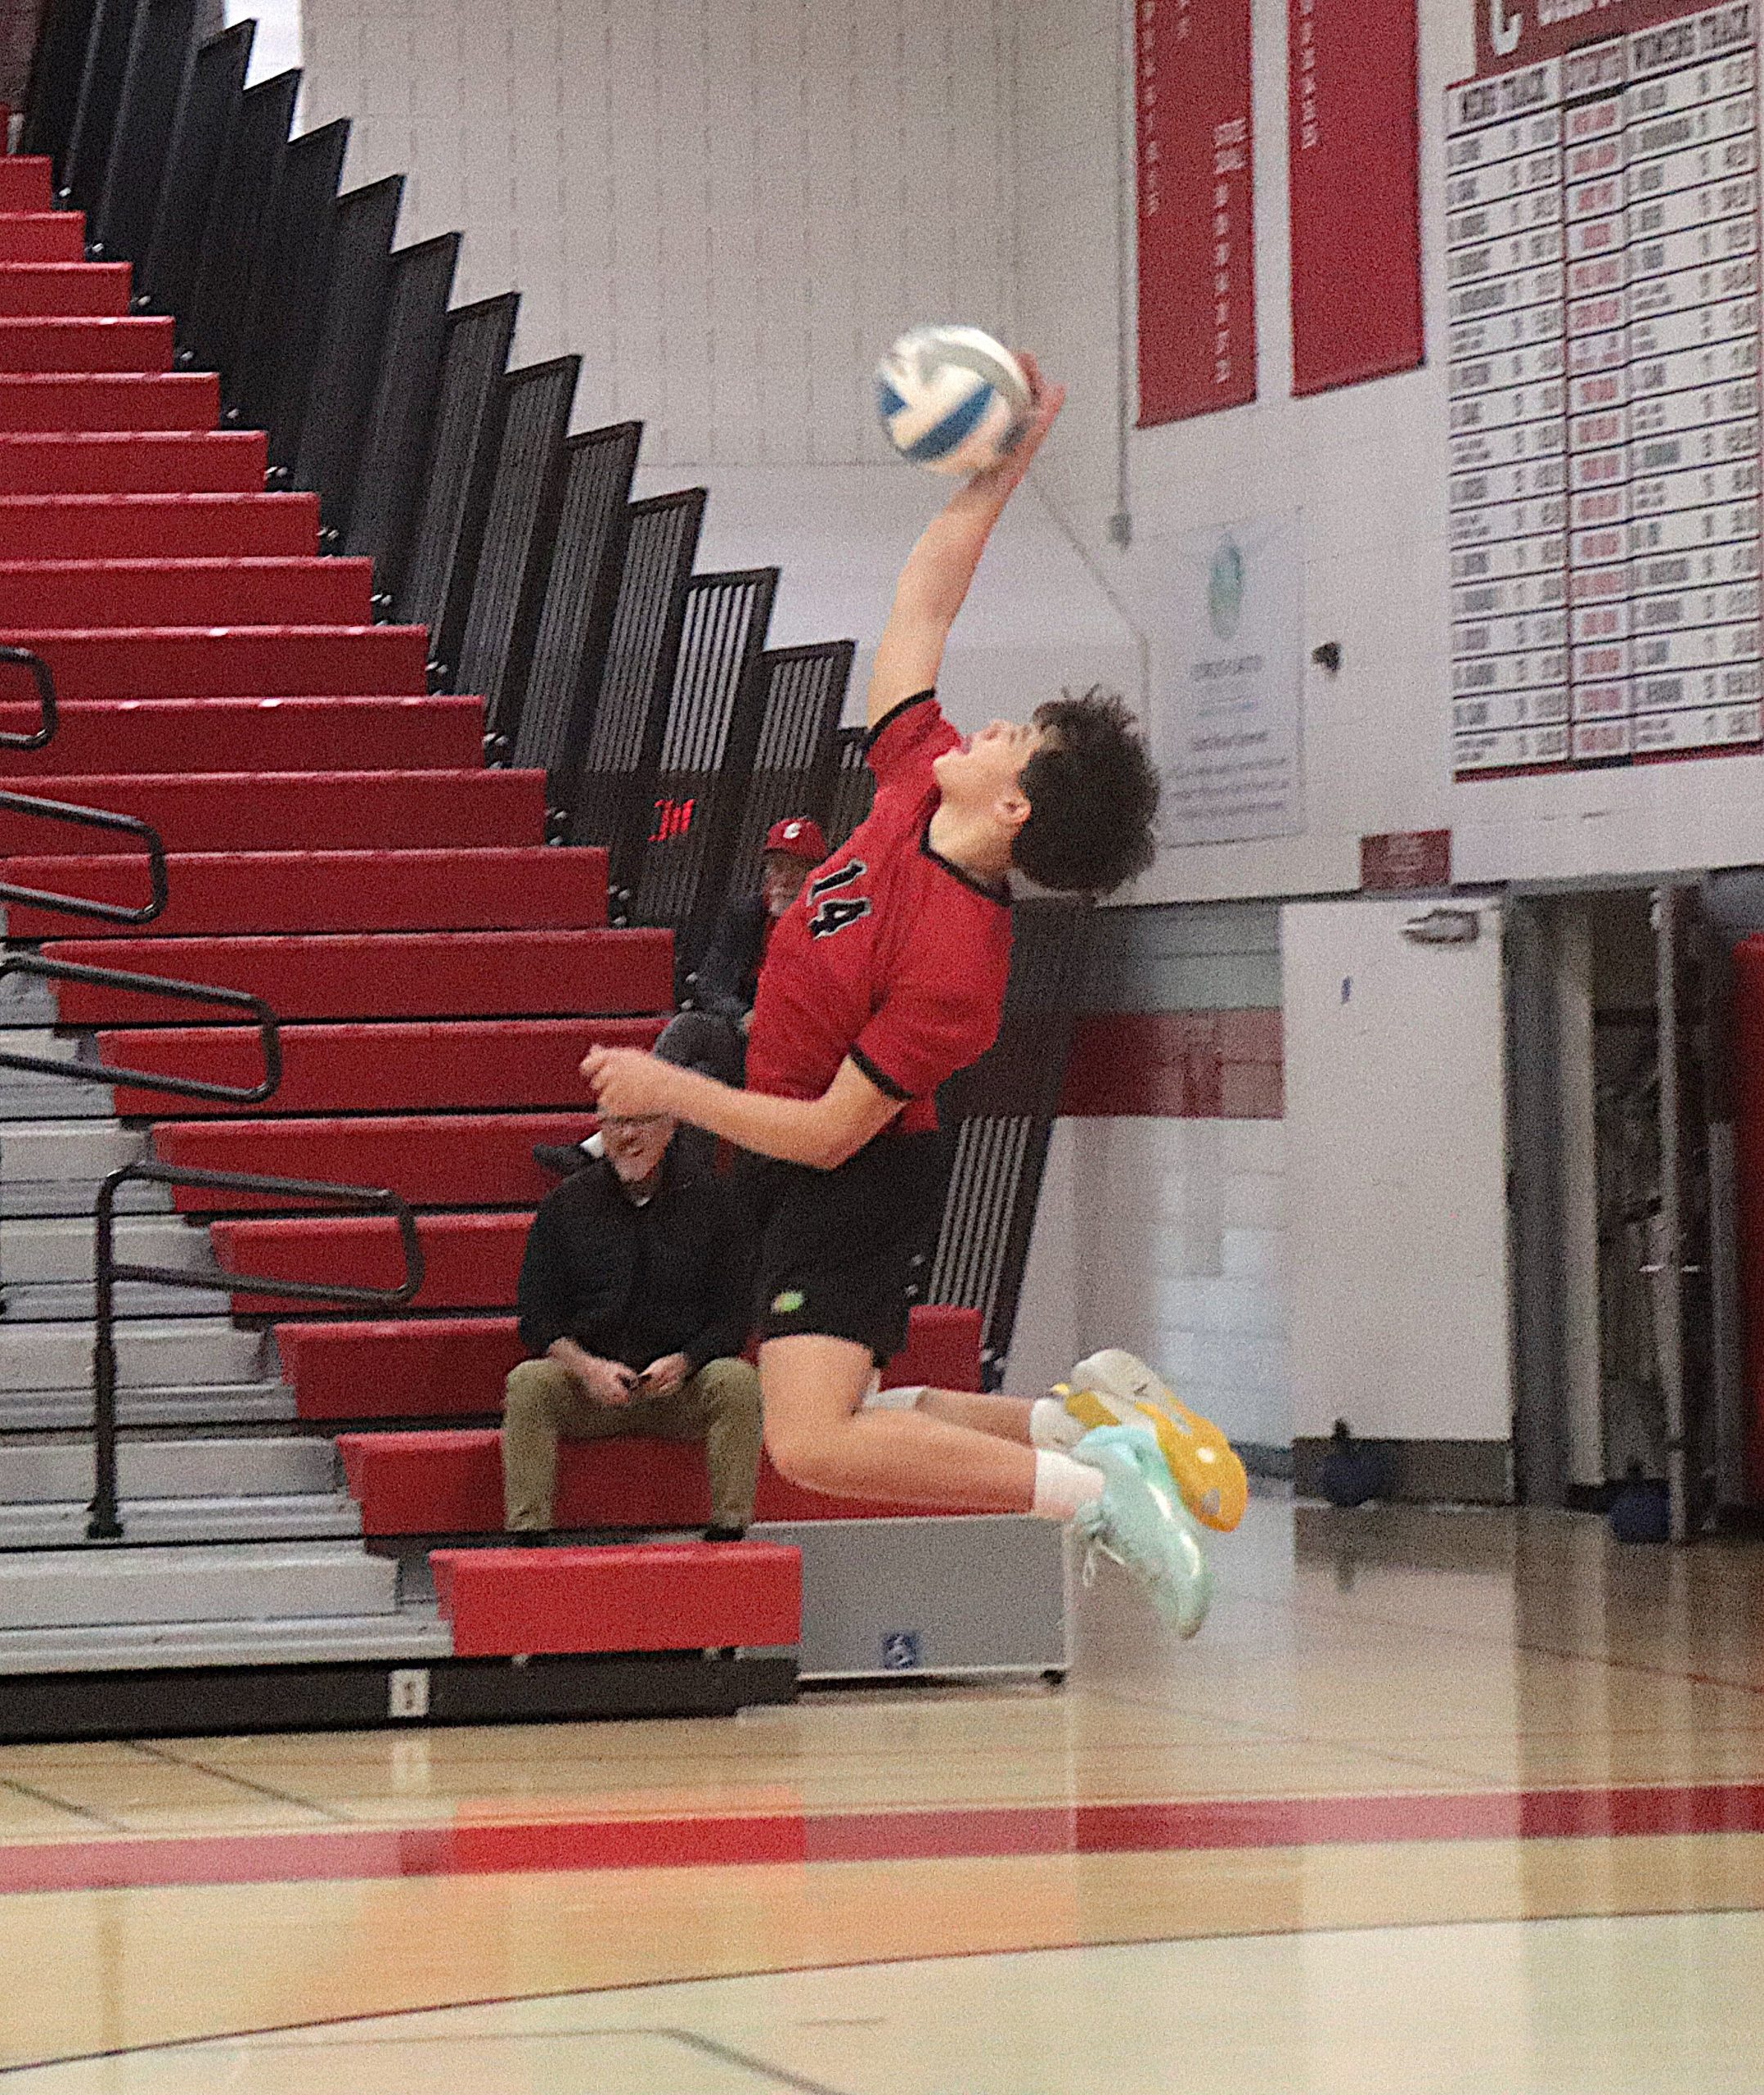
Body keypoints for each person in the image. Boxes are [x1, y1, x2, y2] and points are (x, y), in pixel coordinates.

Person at [583, 354, 1227, 1636]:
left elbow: (833, 1132)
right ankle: (1095, 1421)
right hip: (785, 1162)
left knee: (811, 1446)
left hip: (850, 1174)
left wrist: (674, 1090)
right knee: (864, 1425)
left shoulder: (958, 973)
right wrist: (1004, 469)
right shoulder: (913, 772)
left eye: (1010, 740)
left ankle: (1094, 1492)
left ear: (1017, 806)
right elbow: (925, 592)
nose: (981, 728)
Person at [502, 1097, 763, 1543]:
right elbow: (538, 1318)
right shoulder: (566, 1205)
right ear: (601, 1127)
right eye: (617, 1122)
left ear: (671, 1126)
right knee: (529, 1383)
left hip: (681, 1386)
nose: (627, 1136)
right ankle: (528, 1539)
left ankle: (729, 1533)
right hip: (590, 1388)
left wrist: (685, 1362)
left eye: (642, 1122)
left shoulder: (717, 1202)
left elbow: (734, 1315)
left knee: (737, 1382)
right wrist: (588, 1369)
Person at [533, 815, 828, 1179]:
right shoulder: (746, 914)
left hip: (797, 1055)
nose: (782, 880)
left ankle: (603, 1145)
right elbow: (710, 985)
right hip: (745, 1040)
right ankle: (686, 1187)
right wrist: (745, 1015)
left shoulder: (829, 926)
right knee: (697, 1057)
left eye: (794, 870)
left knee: (695, 1061)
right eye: (776, 868)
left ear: (817, 874)